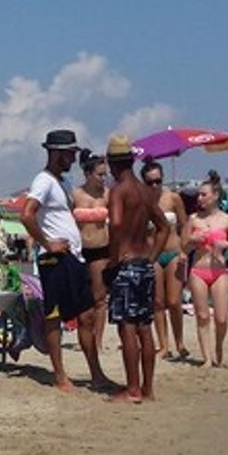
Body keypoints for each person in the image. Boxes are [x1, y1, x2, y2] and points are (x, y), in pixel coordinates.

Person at [19, 129, 111, 393]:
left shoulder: (62, 183)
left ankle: (96, 373)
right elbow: (27, 214)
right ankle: (60, 375)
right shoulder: (44, 181)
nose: (72, 157)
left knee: (87, 315)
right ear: (56, 153)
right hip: (54, 259)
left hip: (72, 257)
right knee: (54, 316)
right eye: (69, 153)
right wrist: (47, 243)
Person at [102, 135, 166, 403]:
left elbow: (116, 224)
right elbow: (164, 227)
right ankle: (148, 388)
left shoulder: (120, 190)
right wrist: (152, 256)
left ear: (113, 164)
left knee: (127, 327)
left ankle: (132, 389)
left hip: (126, 263)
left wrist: (114, 258)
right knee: (144, 326)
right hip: (144, 264)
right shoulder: (145, 192)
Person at [184, 178, 228, 368]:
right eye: (199, 194)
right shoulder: (194, 219)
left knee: (222, 318)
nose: (200, 198)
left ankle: (219, 347)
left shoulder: (227, 219)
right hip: (199, 269)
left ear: (215, 196)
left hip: (219, 270)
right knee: (203, 316)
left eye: (203, 194)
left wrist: (226, 245)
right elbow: (184, 247)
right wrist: (193, 239)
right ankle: (207, 357)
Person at [143, 161, 189, 360]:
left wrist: (185, 249)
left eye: (158, 181)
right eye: (150, 182)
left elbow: (185, 224)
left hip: (173, 251)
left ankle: (179, 341)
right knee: (158, 302)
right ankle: (163, 345)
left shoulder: (173, 198)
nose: (154, 185)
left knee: (174, 300)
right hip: (152, 254)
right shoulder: (142, 202)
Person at [72, 149, 111, 351]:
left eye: (105, 175)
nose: (104, 179)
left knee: (100, 297)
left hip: (101, 248)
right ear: (88, 174)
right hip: (79, 250)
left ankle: (99, 339)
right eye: (100, 174)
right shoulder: (75, 195)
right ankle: (85, 336)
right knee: (82, 296)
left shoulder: (107, 195)